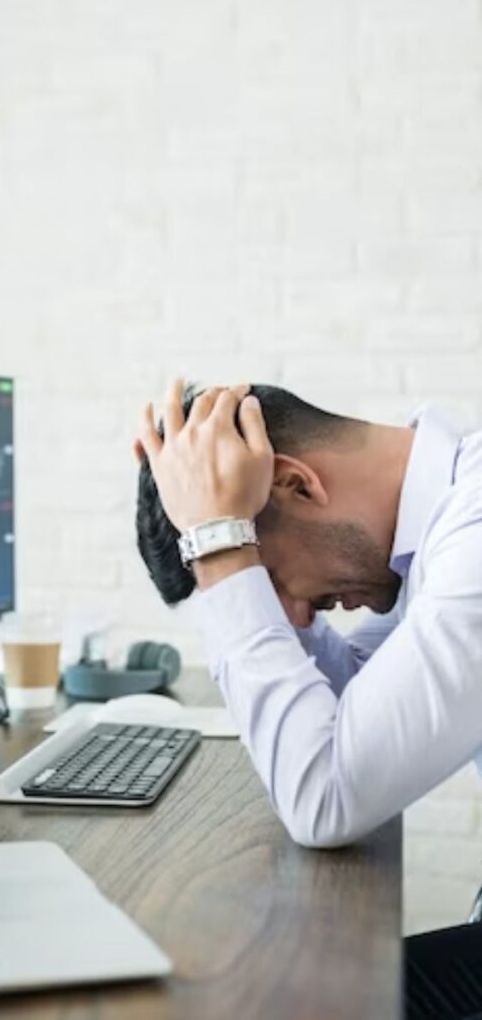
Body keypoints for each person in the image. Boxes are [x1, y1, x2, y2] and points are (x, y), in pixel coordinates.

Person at [135, 379, 482, 1019]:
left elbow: (325, 797)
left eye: (263, 578)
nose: (290, 618)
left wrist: (220, 543)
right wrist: (220, 548)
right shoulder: (444, 527)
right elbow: (349, 692)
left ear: (298, 484)